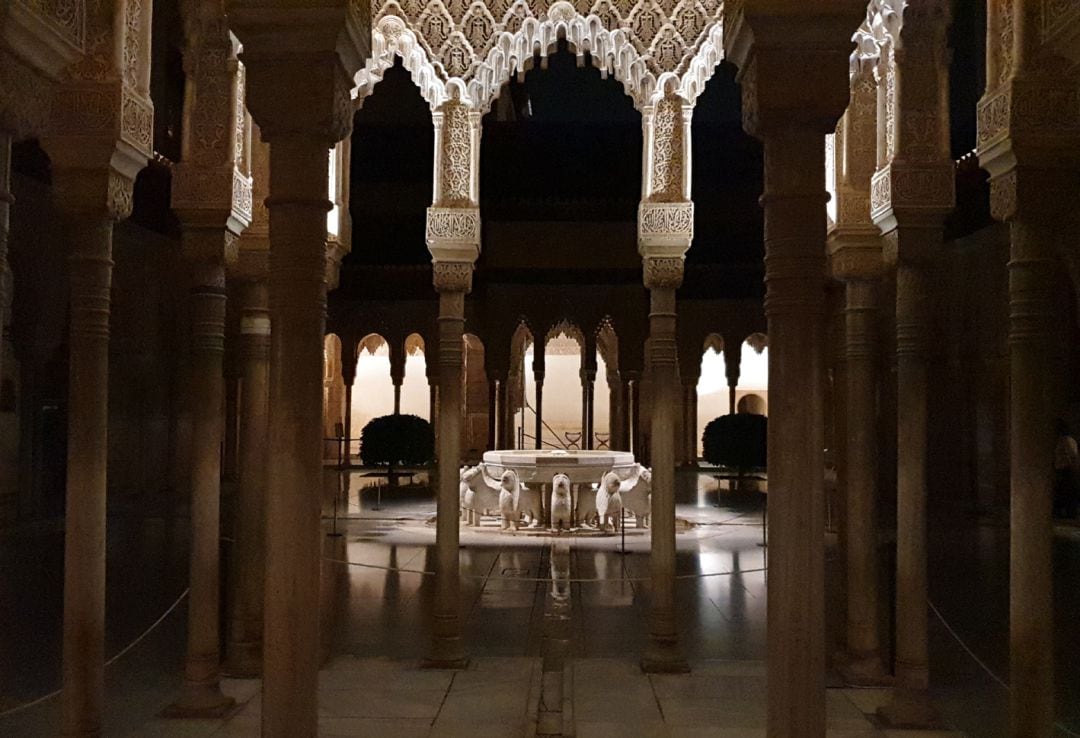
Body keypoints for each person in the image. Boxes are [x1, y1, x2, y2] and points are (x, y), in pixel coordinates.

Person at [1054, 420, 1079, 519]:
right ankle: (1067, 512)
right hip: (1064, 468)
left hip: (1066, 469)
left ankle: (1069, 513)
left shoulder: (1067, 440)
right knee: (1065, 492)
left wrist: (1071, 466)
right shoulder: (1066, 440)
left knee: (1067, 492)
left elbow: (1072, 455)